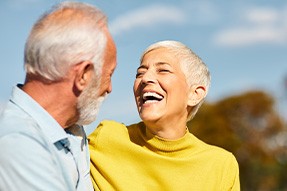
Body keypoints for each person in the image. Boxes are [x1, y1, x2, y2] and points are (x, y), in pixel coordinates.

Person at [89, 40, 240, 190]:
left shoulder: (222, 166)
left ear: (194, 94)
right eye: (140, 73)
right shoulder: (106, 137)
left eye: (163, 70)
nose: (145, 79)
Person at [0, 1, 116, 191]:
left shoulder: (71, 130)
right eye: (109, 74)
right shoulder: (18, 144)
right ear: (83, 75)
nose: (110, 88)